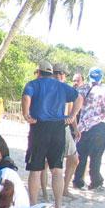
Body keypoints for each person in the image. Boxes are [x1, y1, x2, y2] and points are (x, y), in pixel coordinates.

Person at [22, 60, 83, 208]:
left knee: (36, 169)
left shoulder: (33, 84)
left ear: (39, 72)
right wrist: (72, 115)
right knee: (57, 170)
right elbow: (79, 98)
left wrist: (26, 114)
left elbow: (26, 97)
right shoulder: (61, 86)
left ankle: (33, 204)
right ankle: (58, 205)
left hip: (39, 127)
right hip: (58, 128)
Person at [72, 67, 105, 192]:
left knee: (81, 155)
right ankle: (95, 182)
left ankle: (78, 181)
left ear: (89, 76)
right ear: (101, 77)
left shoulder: (82, 89)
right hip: (98, 126)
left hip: (82, 127)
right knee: (96, 157)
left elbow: (76, 107)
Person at [40, 64, 80, 199]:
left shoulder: (67, 90)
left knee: (74, 159)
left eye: (61, 73)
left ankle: (65, 189)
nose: (58, 75)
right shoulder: (45, 87)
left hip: (64, 128)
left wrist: (75, 126)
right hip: (48, 127)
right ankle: (45, 192)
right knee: (45, 162)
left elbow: (72, 108)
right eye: (56, 72)